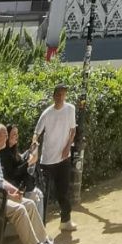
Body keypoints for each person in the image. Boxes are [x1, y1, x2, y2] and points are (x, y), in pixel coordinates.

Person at [35, 82, 77, 234]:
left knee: (63, 192)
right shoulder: (47, 113)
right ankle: (40, 227)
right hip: (47, 160)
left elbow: (72, 130)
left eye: (63, 94)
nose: (60, 97)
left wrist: (67, 147)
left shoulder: (70, 109)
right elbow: (37, 133)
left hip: (63, 159)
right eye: (58, 94)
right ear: (53, 96)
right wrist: (34, 145)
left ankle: (66, 221)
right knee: (43, 195)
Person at [1, 124, 44, 217]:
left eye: (17, 134)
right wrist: (28, 162)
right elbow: (13, 173)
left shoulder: (13, 151)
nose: (16, 136)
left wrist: (33, 150)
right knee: (36, 196)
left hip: (22, 183)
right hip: (14, 185)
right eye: (14, 134)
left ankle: (39, 228)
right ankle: (35, 229)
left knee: (39, 194)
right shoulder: (4, 153)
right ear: (7, 136)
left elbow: (24, 162)